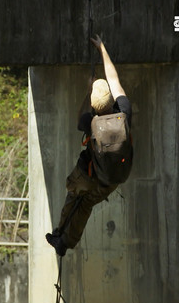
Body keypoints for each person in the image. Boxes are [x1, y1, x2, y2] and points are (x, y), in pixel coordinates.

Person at [46, 35, 133, 257]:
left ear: (95, 105)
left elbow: (80, 118)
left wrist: (87, 90)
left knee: (75, 197)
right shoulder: (124, 112)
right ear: (111, 99)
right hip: (115, 177)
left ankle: (61, 238)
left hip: (91, 174)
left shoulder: (90, 122)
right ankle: (64, 241)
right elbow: (114, 80)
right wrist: (103, 48)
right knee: (87, 205)